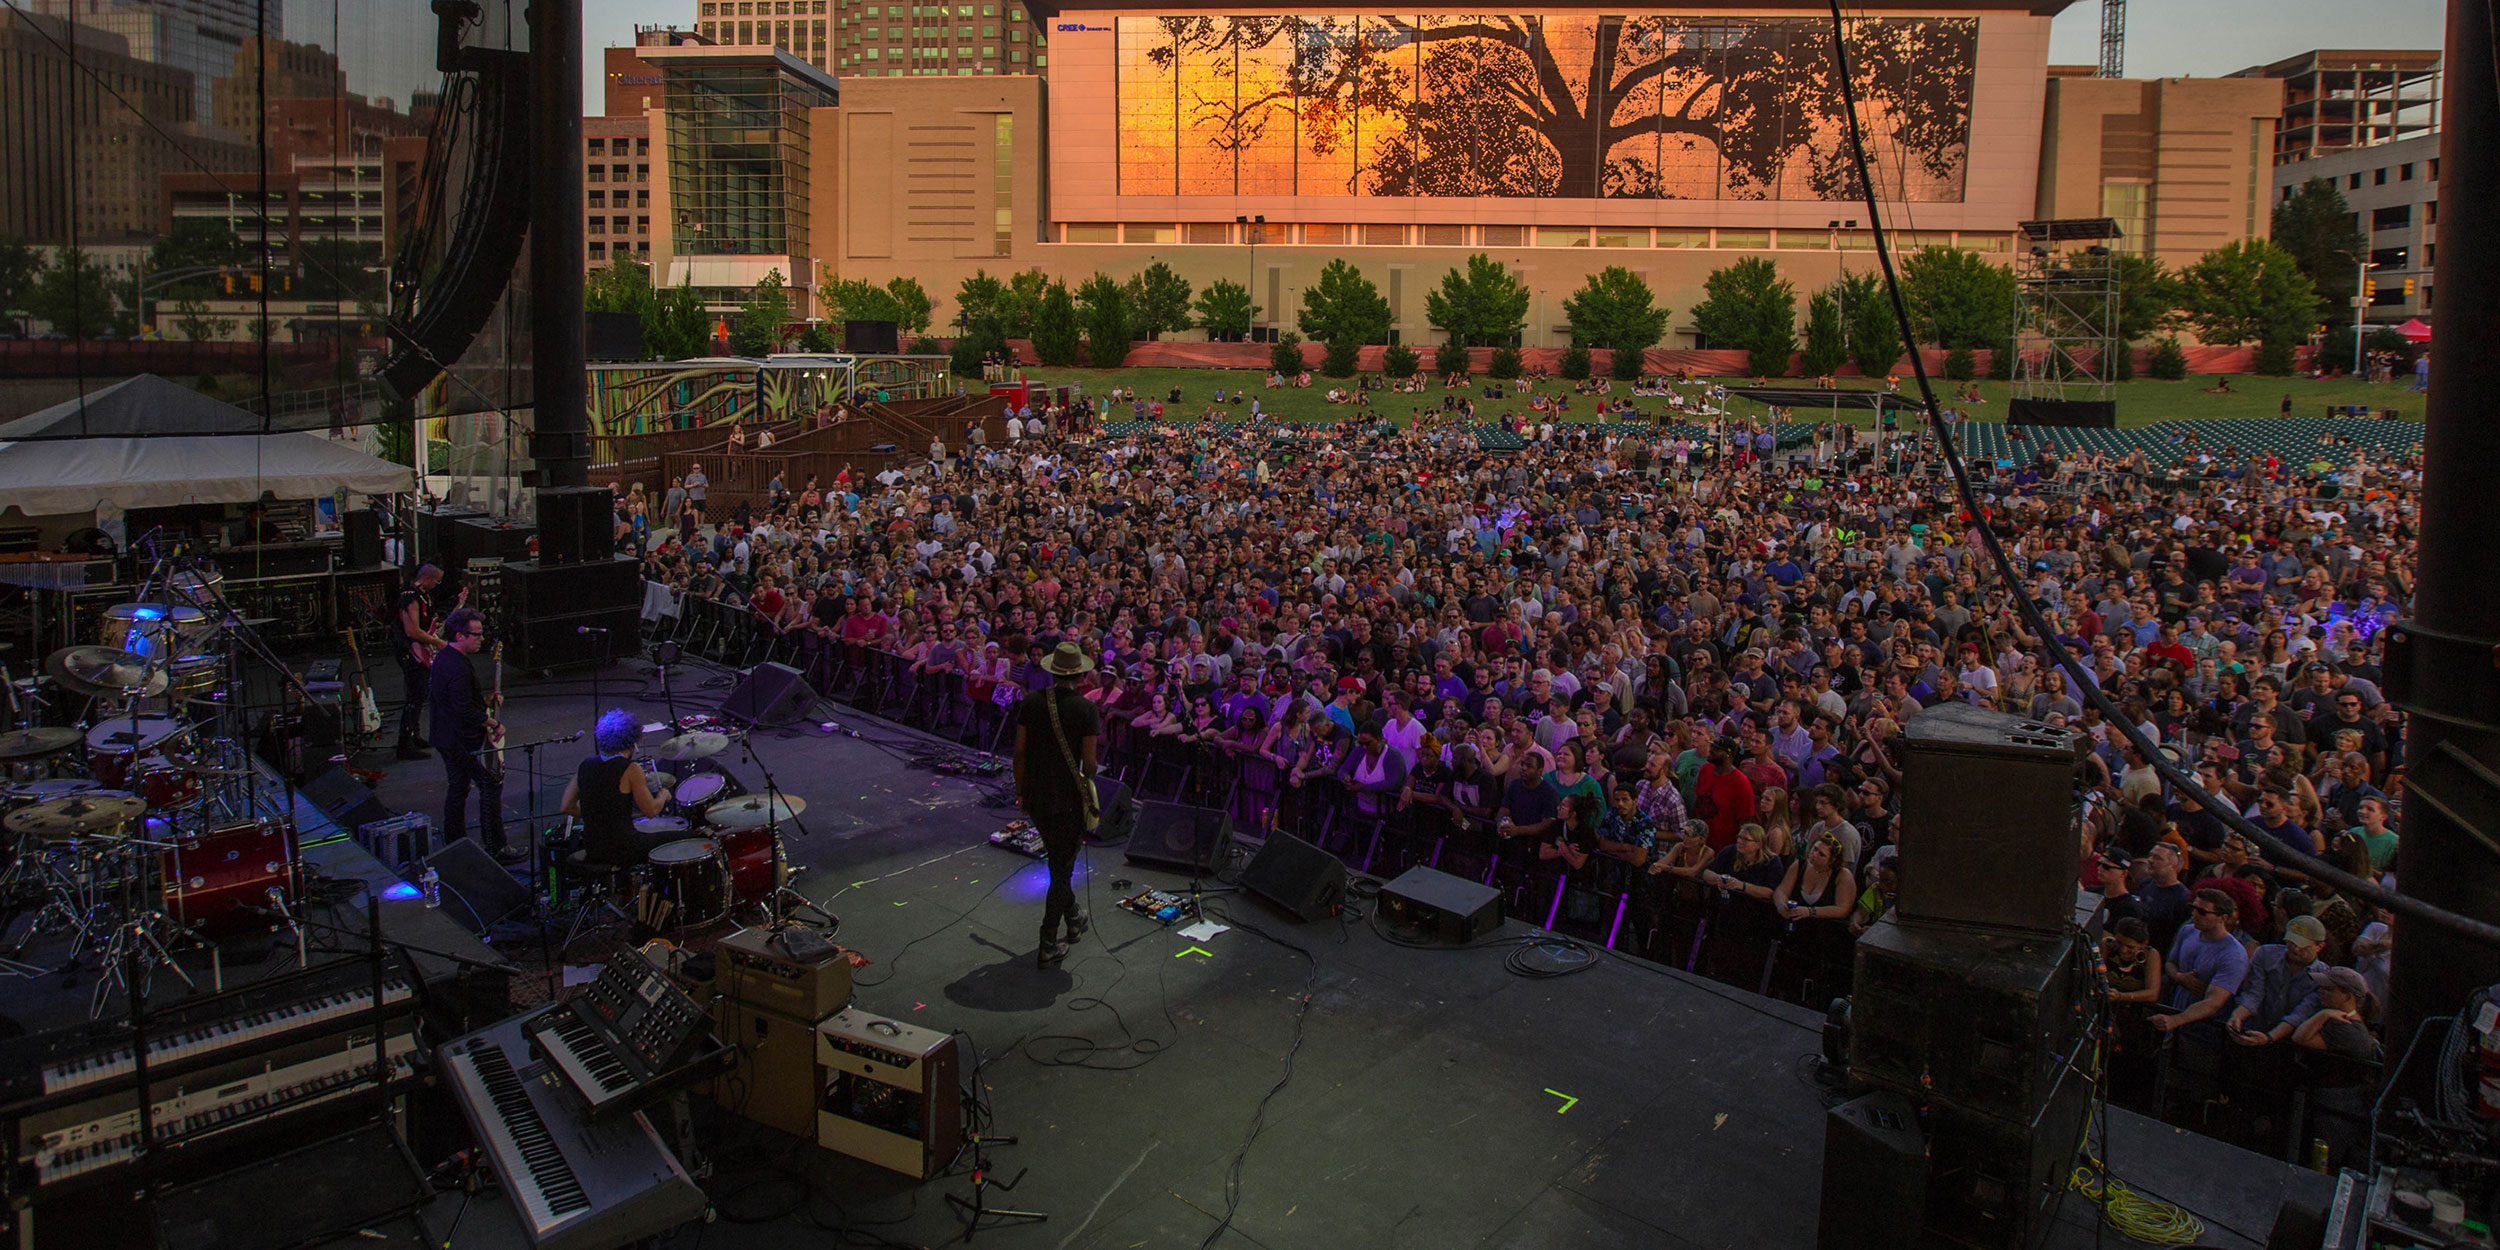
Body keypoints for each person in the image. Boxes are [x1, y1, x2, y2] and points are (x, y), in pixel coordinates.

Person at [1014, 641, 1100, 969]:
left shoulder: (1033, 701)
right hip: (1066, 798)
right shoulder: (1086, 709)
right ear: (1079, 674)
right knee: (1063, 869)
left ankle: (1075, 917)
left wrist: (1021, 793)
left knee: (1058, 861)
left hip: (1036, 794)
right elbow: (1089, 764)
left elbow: (1019, 752)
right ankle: (1048, 941)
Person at [429, 608, 518, 861]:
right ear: (459, 635)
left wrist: (485, 701)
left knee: (458, 788)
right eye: (476, 635)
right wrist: (490, 721)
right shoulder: (456, 666)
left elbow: (458, 699)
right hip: (460, 739)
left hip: (446, 736)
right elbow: (462, 708)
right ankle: (496, 846)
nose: (481, 639)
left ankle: (455, 844)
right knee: (490, 784)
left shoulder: (447, 659)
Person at [560, 708, 677, 867]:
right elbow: (651, 811)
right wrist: (663, 795)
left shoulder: (585, 765)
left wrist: (598, 814)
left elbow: (567, 806)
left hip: (593, 848)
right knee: (684, 837)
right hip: (623, 848)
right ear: (632, 741)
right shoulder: (630, 768)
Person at [392, 564, 460, 760]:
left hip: (418, 650)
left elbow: (426, 625)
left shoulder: (422, 596)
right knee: (414, 696)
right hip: (410, 651)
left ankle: (414, 735)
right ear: (427, 578)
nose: (437, 585)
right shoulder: (410, 597)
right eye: (436, 581)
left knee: (419, 695)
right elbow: (412, 631)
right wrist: (437, 642)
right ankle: (405, 744)